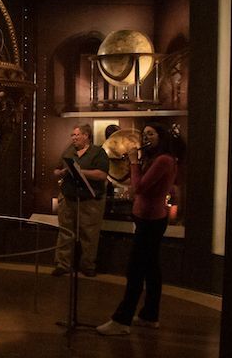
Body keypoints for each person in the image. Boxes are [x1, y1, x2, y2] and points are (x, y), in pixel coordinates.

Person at [97, 122, 178, 336]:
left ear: (161, 136)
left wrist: (133, 162)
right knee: (151, 269)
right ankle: (149, 315)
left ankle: (122, 320)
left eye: (151, 133)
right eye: (144, 134)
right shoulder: (157, 159)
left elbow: (139, 187)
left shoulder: (163, 160)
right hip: (149, 219)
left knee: (135, 270)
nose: (146, 137)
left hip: (150, 220)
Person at [51, 124, 110, 277]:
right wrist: (60, 172)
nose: (74, 138)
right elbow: (56, 169)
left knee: (89, 235)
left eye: (77, 135)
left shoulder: (98, 152)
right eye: (72, 135)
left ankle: (88, 265)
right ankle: (63, 264)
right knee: (65, 232)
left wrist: (80, 172)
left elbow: (102, 174)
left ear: (86, 136)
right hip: (68, 199)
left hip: (89, 201)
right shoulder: (68, 151)